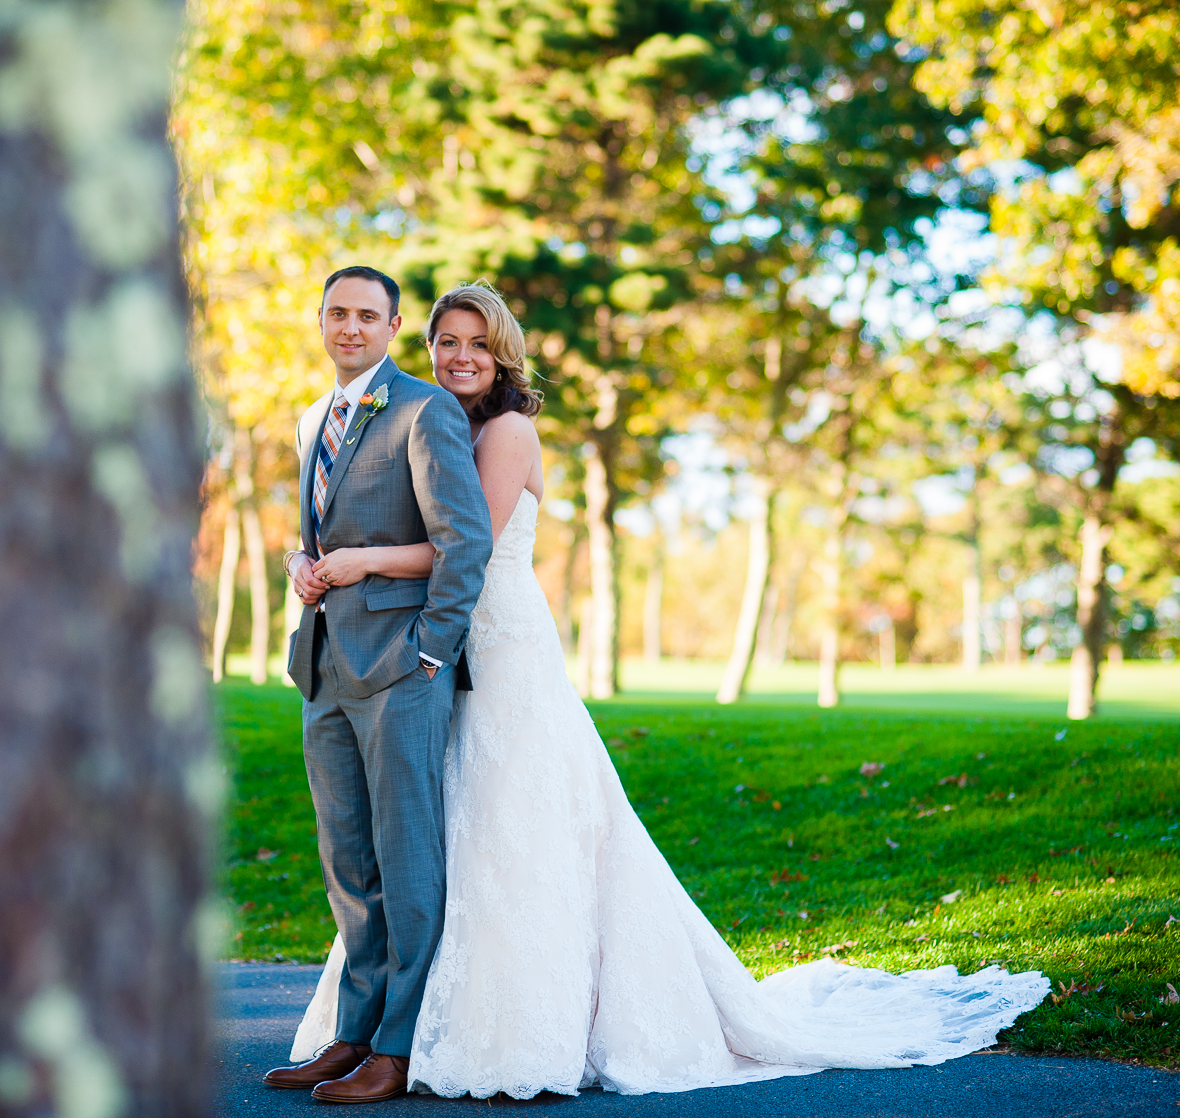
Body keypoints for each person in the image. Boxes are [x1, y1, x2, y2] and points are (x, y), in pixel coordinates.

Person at [287, 282, 1051, 1100]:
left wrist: (369, 572)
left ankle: (497, 1032)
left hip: (493, 647)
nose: (460, 355)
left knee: (513, 829)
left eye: (476, 341)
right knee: (454, 836)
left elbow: (460, 547)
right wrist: (315, 564)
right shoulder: (426, 421)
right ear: (427, 345)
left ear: (499, 346)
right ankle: (399, 1030)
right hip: (436, 648)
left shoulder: (502, 430)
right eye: (448, 342)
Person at [260, 267, 492, 1104]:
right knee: (347, 861)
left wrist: (430, 652)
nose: (349, 327)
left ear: (393, 326)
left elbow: (465, 542)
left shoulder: (424, 411)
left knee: (406, 858)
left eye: (367, 315)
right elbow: (315, 531)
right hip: (322, 665)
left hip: (401, 667)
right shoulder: (311, 417)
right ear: (320, 321)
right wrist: (297, 562)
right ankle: (350, 1035)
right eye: (337, 313)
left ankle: (396, 1049)